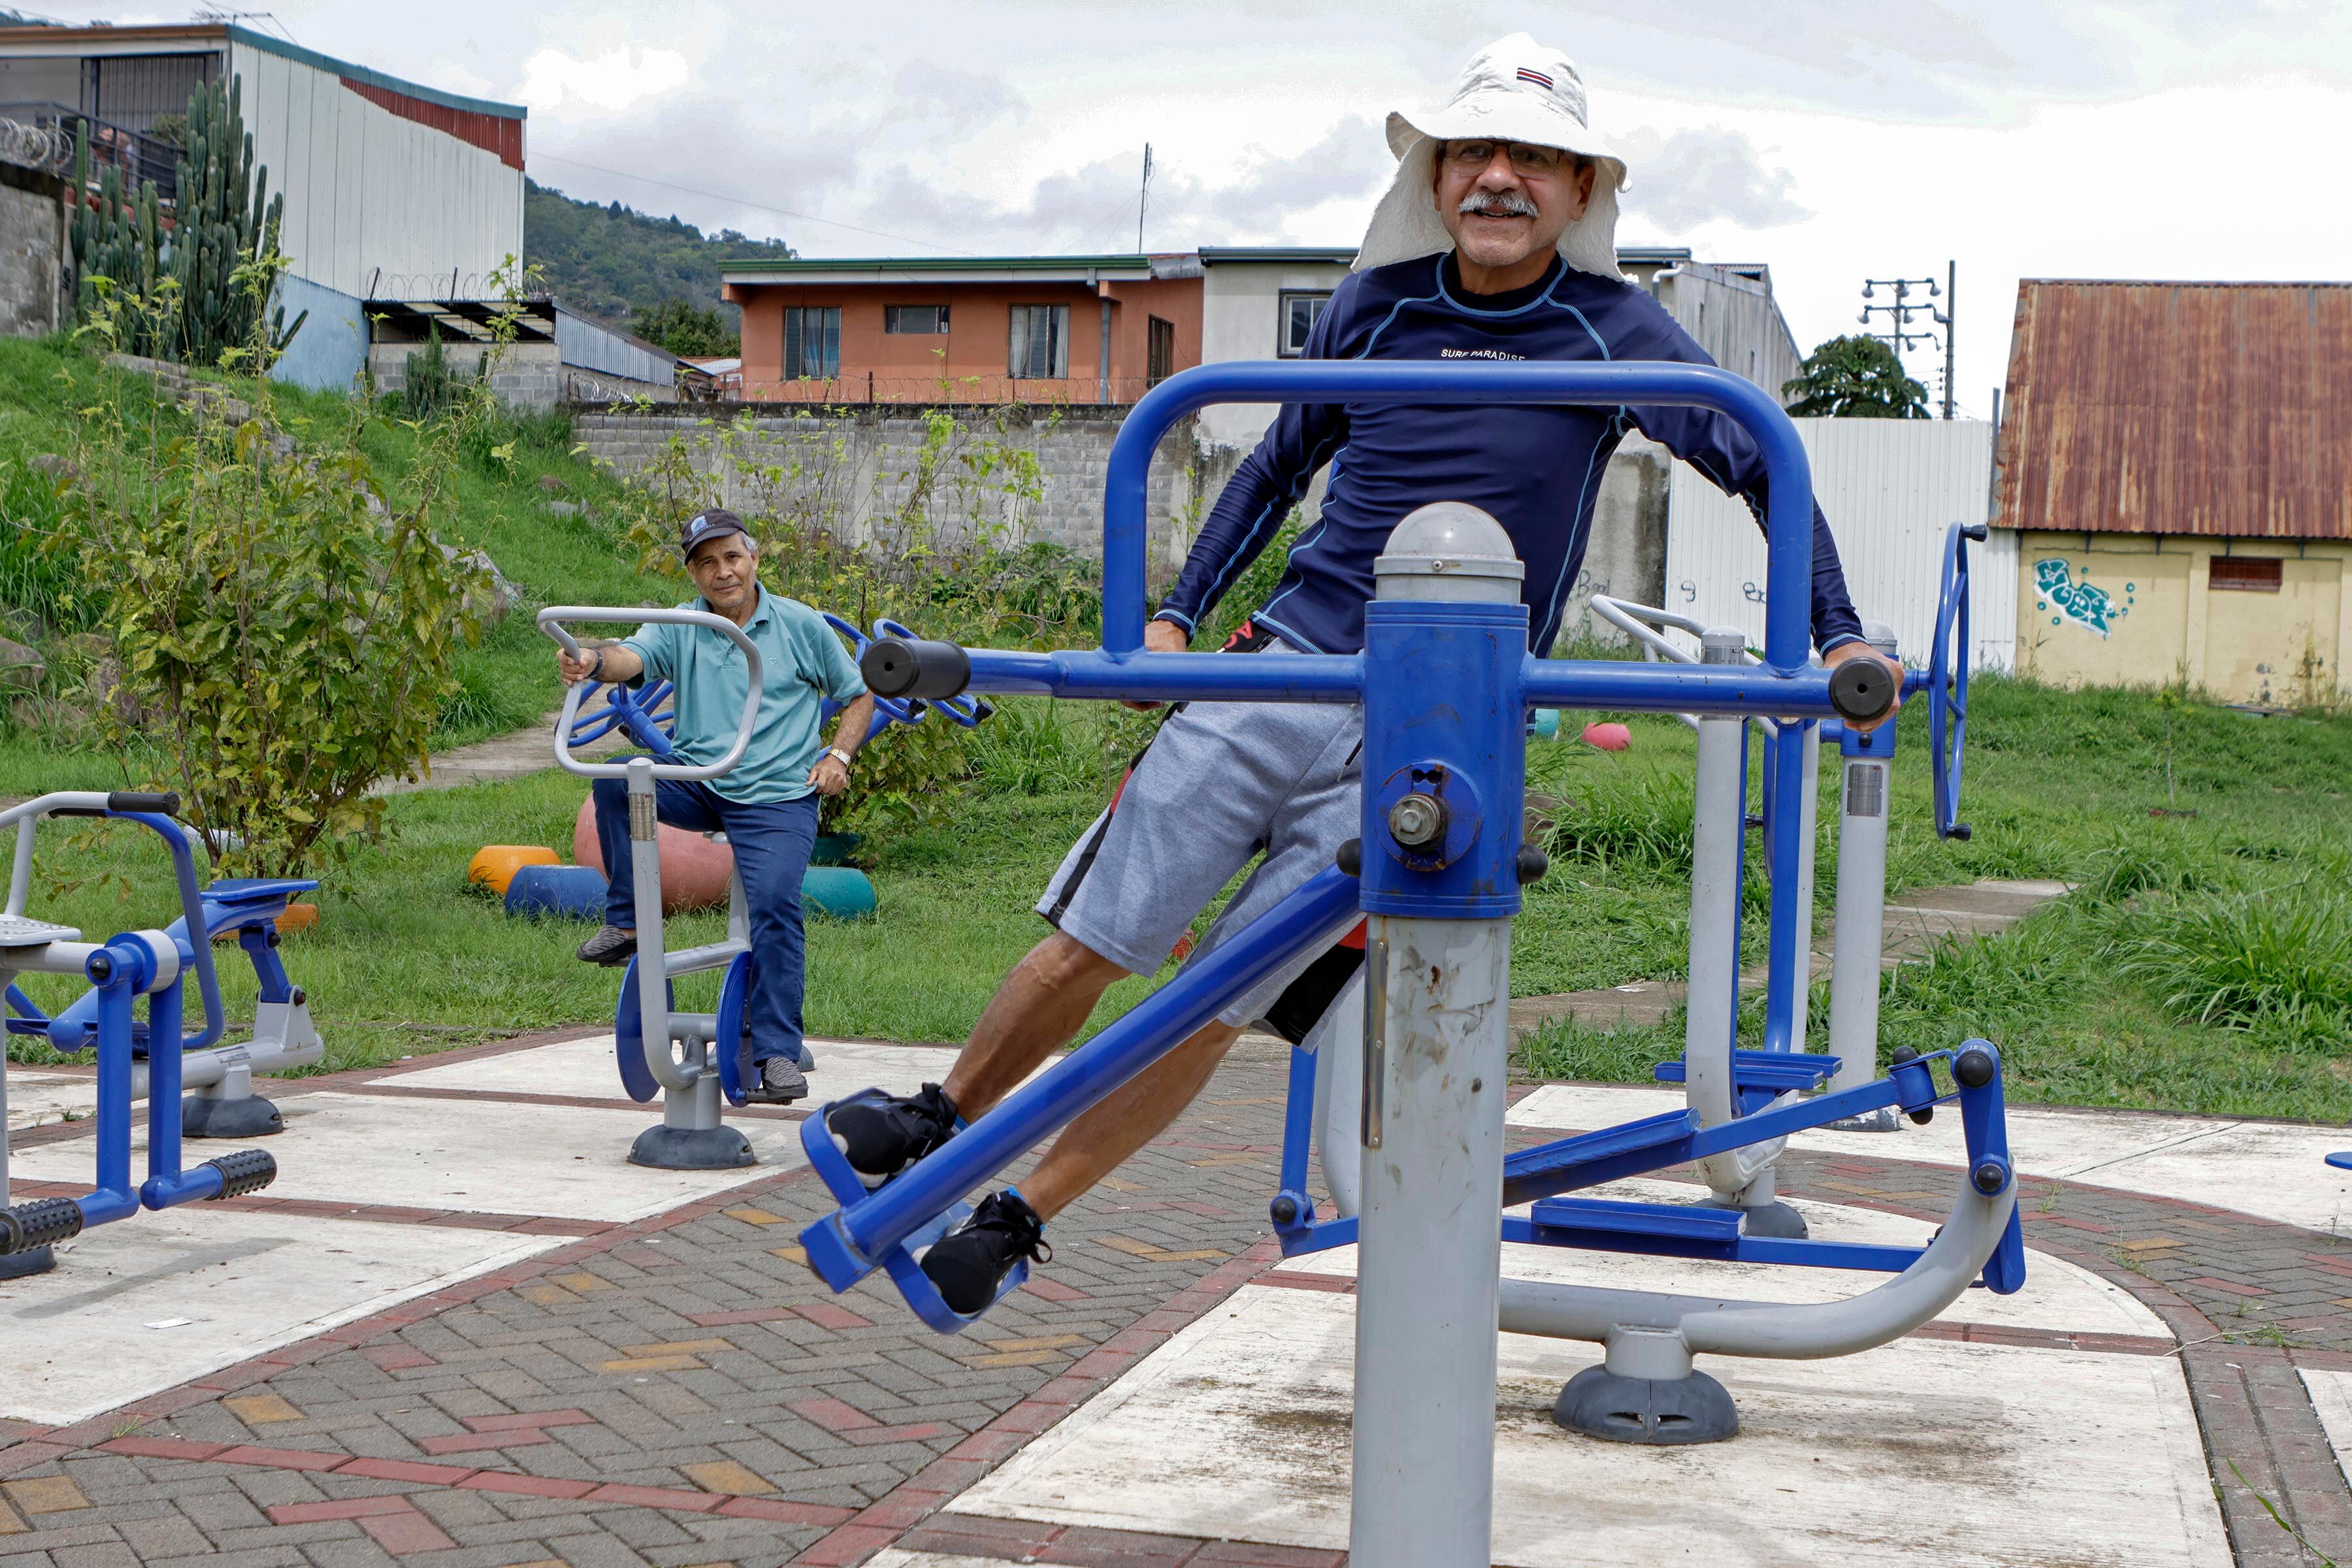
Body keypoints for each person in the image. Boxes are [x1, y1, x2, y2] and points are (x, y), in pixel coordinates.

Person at [823, 32, 1903, 1311]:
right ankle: (941, 1115)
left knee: (1220, 998)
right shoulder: (1376, 304)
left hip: (1440, 722)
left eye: (1534, 159)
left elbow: (1765, 464)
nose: (1498, 177)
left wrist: (1837, 631)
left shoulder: (1615, 329)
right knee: (1097, 940)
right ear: (1438, 174)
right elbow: (1276, 465)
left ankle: (1014, 1222)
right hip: (1282, 668)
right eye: (1473, 152)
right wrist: (1172, 615)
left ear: (1579, 189)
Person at [560, 507, 875, 1104]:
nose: (722, 572)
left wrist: (839, 757)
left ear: (754, 559)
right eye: (707, 563)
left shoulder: (799, 625)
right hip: (702, 780)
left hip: (778, 795)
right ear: (693, 575)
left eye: (732, 557)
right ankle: (628, 919)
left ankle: (777, 1052)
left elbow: (858, 693)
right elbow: (630, 656)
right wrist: (592, 661)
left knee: (776, 907)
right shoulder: (685, 624)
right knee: (613, 782)